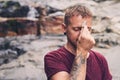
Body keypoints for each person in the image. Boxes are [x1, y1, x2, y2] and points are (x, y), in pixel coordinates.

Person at [44, 4, 112, 80]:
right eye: (77, 29)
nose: (82, 35)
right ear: (64, 28)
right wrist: (82, 51)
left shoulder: (100, 59)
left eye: (87, 29)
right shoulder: (54, 58)